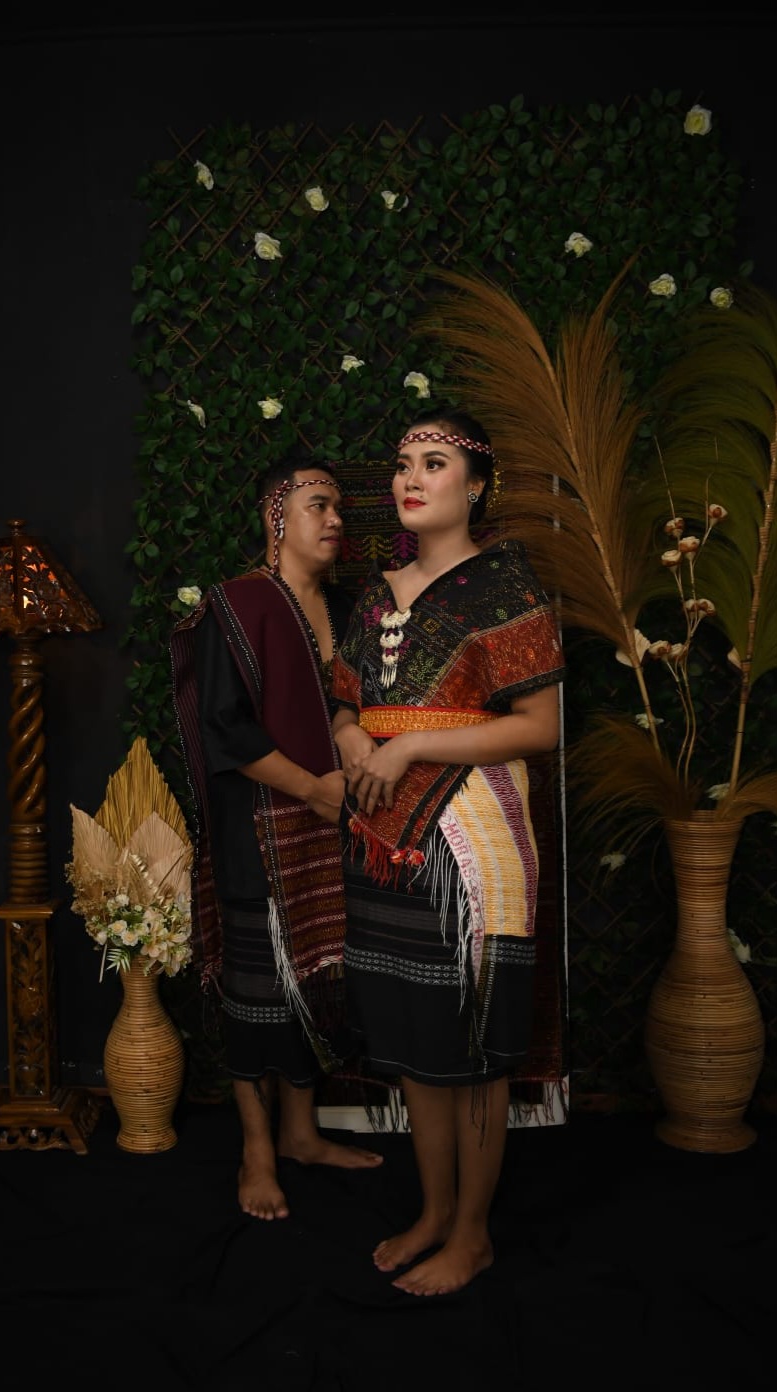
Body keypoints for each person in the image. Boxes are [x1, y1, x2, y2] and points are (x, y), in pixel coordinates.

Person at [331, 407, 565, 1295]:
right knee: (413, 1036)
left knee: (471, 1044)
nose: (411, 478)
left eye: (433, 462)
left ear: (475, 486)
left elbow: (537, 726)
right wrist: (353, 740)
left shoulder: (504, 585)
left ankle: (472, 1234)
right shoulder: (375, 592)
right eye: (403, 463)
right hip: (381, 836)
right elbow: (346, 702)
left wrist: (410, 747)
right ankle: (433, 1212)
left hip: (471, 836)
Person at [170, 453, 383, 1221]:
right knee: (256, 991)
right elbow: (224, 728)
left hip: (336, 831)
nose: (335, 521)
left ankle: (301, 1132)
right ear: (275, 516)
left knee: (315, 980)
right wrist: (315, 790)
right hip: (258, 828)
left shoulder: (353, 608)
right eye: (318, 505)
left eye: (338, 509)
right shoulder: (237, 606)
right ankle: (257, 1150)